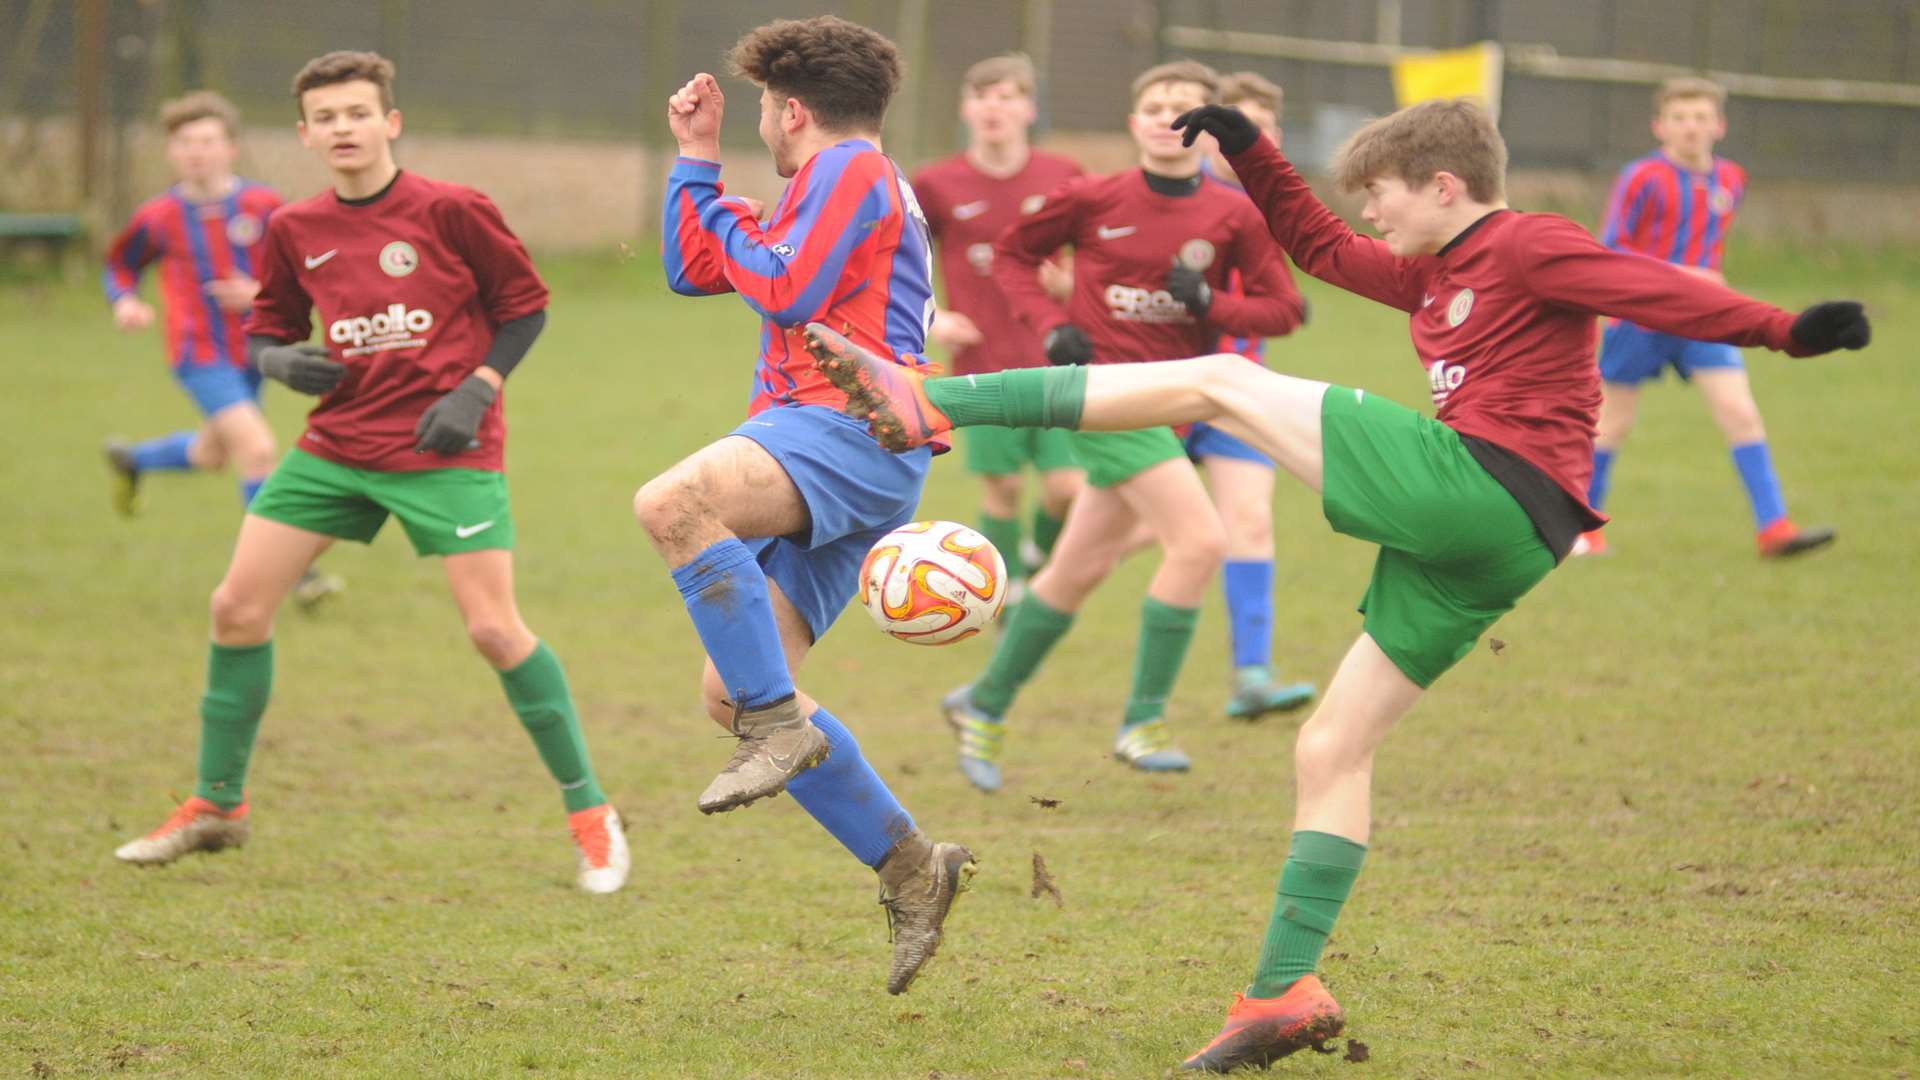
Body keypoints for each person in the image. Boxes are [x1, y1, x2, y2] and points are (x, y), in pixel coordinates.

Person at [802, 96, 1869, 1070]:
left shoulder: (1530, 243)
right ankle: (1281, 991)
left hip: (1485, 485)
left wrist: (1783, 330)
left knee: (1220, 381)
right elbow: (1315, 246)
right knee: (1331, 745)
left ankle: (936, 400)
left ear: (1444, 185)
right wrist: (1252, 147)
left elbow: (1649, 286)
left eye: (1385, 194)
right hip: (1503, 544)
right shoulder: (1429, 270)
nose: (1374, 215)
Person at [112, 50, 629, 896]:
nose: (343, 128)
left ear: (389, 122)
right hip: (337, 449)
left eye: (358, 113)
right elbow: (270, 327)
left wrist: (478, 389)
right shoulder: (295, 228)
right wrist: (280, 365)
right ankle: (218, 806)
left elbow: (524, 307)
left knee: (495, 632)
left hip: (446, 448)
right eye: (326, 118)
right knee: (235, 608)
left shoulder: (454, 209)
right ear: (306, 135)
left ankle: (591, 816)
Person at [650, 15, 973, 994]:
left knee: (674, 502)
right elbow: (692, 268)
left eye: (757, 111)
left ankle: (778, 730)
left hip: (843, 428)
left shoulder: (851, 171)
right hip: (852, 449)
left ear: (794, 111)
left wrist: (735, 211)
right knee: (730, 687)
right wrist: (696, 166)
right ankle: (914, 867)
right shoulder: (842, 187)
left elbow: (783, 289)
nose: (758, 125)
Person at [937, 61, 1306, 792]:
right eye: (1155, 106)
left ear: (1211, 129)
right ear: (1133, 123)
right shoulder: (1093, 197)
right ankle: (1143, 720)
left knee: (1077, 570)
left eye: (1186, 109)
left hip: (1172, 405)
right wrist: (1050, 325)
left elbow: (1284, 310)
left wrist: (1212, 306)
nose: (1169, 119)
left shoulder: (1235, 214)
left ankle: (983, 701)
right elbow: (1014, 255)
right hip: (1105, 395)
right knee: (1201, 540)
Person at [100, 91, 342, 607]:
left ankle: (134, 460)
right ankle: (288, 572)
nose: (196, 151)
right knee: (256, 449)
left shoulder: (263, 205)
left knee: (212, 454)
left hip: (256, 353)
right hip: (198, 354)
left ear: (231, 148)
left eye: (208, 141)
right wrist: (124, 302)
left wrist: (260, 294)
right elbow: (121, 264)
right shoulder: (159, 215)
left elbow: (302, 270)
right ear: (171, 151)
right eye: (185, 142)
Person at [1577, 77, 1834, 558]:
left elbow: (1706, 247)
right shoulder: (1642, 177)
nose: (1690, 127)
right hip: (1639, 317)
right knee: (1612, 424)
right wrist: (1684, 273)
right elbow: (1610, 250)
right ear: (1660, 126)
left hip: (1703, 319)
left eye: (1699, 118)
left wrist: (1707, 282)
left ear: (1719, 125)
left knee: (1740, 412)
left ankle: (1774, 528)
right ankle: (1586, 531)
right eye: (1679, 118)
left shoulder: (1731, 179)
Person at [911, 53, 1086, 604]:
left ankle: (1034, 559)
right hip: (982, 361)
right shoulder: (936, 183)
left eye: (1007, 96)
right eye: (983, 96)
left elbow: (1102, 255)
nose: (994, 107)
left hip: (1056, 358)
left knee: (1067, 487)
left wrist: (1071, 287)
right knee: (1004, 487)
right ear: (966, 109)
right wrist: (934, 314)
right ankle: (1005, 596)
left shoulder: (1064, 176)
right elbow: (903, 258)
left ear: (1029, 109)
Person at [1187, 70, 1316, 720]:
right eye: (1234, 124)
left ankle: (1252, 674)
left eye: (1262, 126)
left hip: (1238, 390)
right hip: (1159, 388)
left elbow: (1281, 300)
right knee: (1119, 535)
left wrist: (1282, 303)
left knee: (1250, 521)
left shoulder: (1276, 205)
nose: (1247, 139)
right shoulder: (1177, 198)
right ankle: (994, 689)